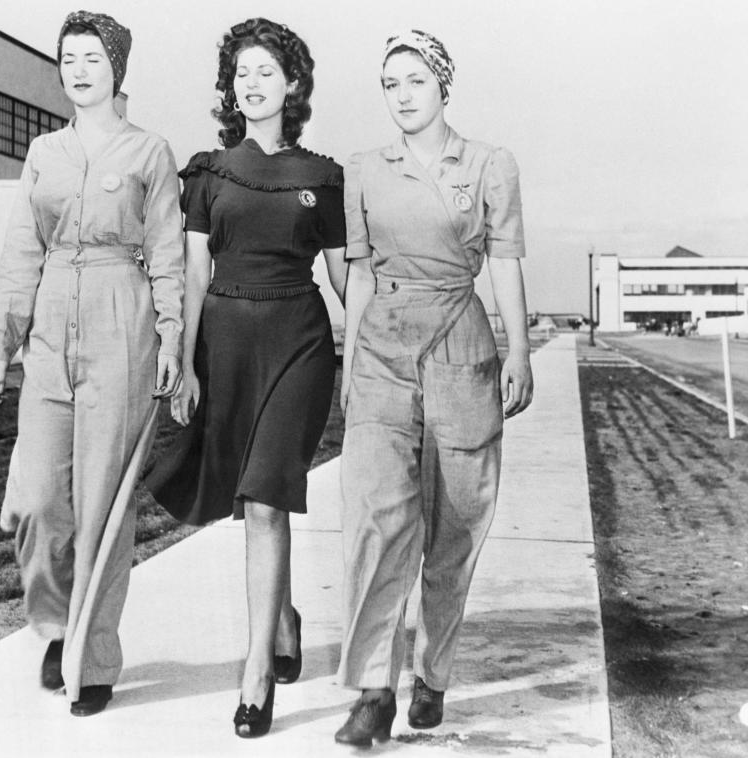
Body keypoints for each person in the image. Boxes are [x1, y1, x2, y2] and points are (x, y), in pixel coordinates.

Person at [147, 17, 347, 739]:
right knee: (251, 498)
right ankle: (283, 618)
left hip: (299, 342)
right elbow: (195, 270)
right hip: (225, 346)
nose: (252, 83)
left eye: (267, 70)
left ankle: (256, 670)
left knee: (267, 498)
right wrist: (183, 361)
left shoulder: (322, 177)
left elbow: (343, 277)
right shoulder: (207, 171)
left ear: (293, 84)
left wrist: (385, 344)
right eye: (242, 72)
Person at [0, 11, 184, 717]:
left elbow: (166, 254)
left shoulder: (150, 152)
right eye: (68, 57)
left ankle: (93, 658)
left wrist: (173, 339)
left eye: (92, 56)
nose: (78, 68)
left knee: (104, 501)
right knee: (38, 498)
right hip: (51, 328)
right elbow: (19, 250)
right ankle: (54, 622)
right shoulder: (44, 151)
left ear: (116, 67)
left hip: (121, 322)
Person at [334, 30, 534, 747]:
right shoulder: (363, 169)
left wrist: (517, 350)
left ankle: (433, 673)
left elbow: (505, 262)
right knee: (377, 521)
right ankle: (371, 690)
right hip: (383, 350)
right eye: (390, 83)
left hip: (461, 344)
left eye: (415, 80)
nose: (402, 95)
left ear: (443, 85)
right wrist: (352, 362)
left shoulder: (487, 165)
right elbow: (357, 273)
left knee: (455, 527)